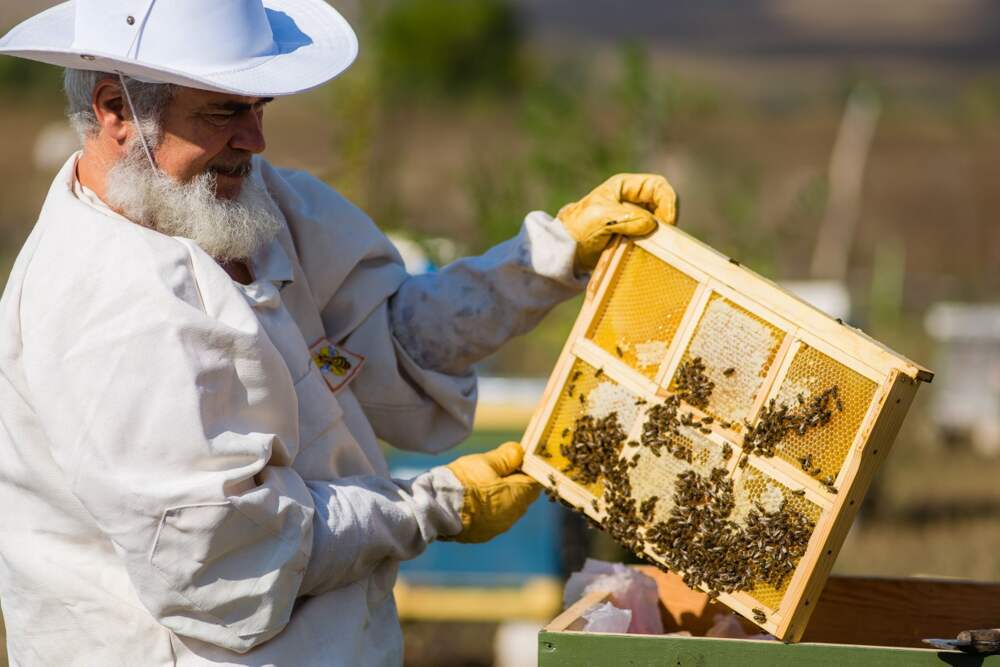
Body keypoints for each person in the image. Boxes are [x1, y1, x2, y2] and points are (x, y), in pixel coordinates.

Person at [0, 1, 677, 665]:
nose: (255, 139)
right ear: (116, 109)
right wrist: (430, 505)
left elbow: (386, 334)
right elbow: (231, 558)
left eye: (258, 107)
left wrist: (548, 257)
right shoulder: (104, 308)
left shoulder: (244, 203)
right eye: (224, 111)